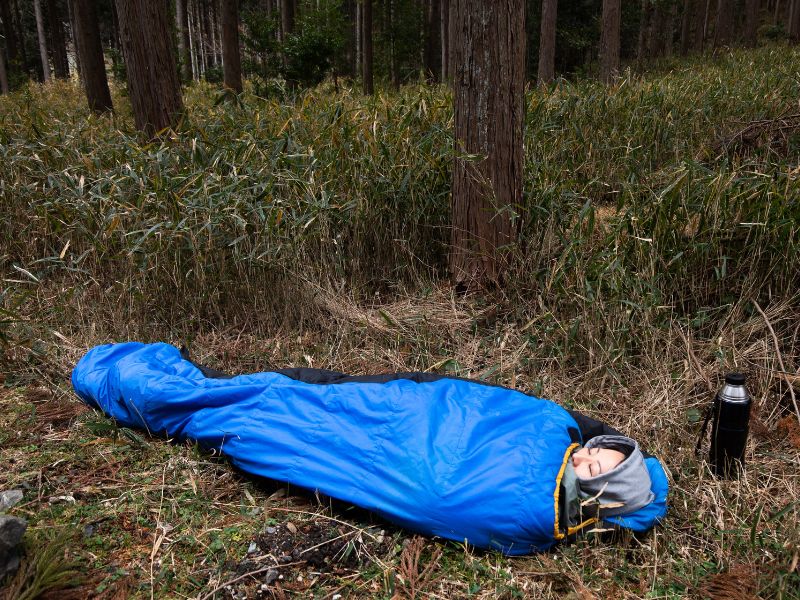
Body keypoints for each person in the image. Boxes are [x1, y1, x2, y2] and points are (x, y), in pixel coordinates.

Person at [72, 342, 668, 555]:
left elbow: (445, 490)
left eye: (594, 467)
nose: (586, 455)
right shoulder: (556, 440)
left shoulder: (531, 514)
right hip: (407, 414)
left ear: (595, 501)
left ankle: (128, 380)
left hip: (386, 436)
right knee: (286, 394)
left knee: (256, 405)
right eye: (600, 450)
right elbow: (478, 404)